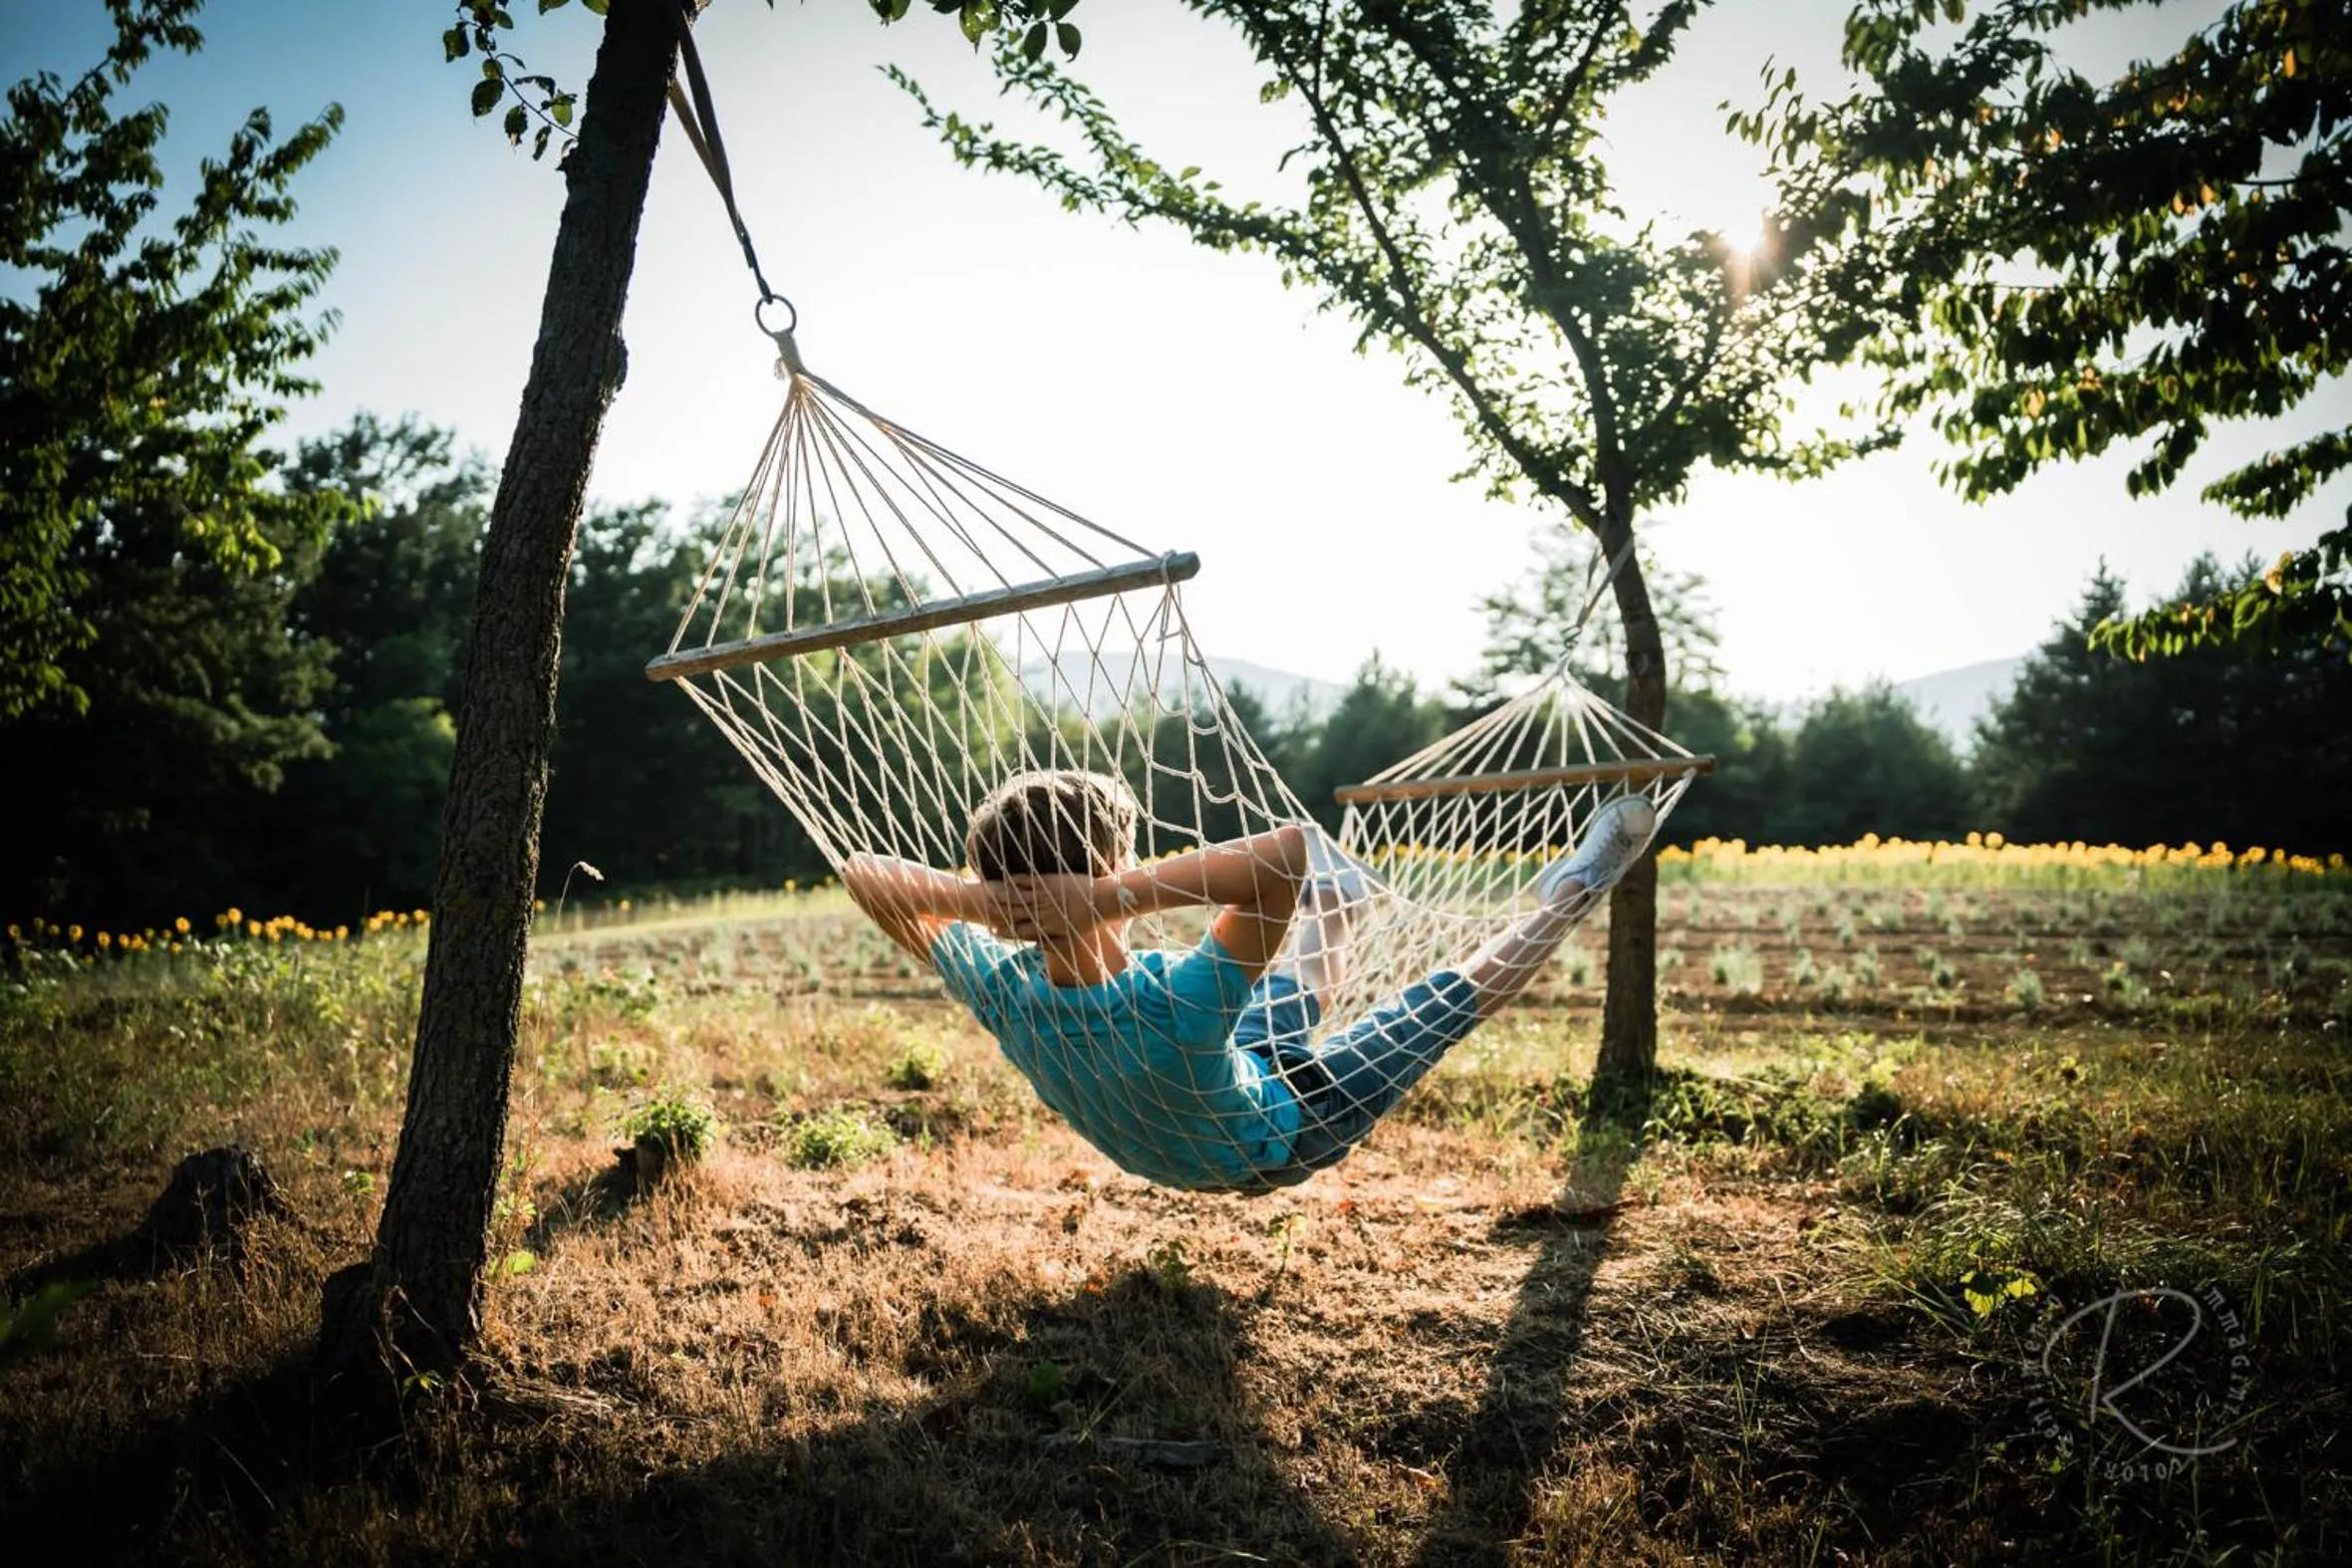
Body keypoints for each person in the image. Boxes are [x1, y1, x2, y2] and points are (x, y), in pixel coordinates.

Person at [840, 770, 1657, 1192]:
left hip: (1203, 1104)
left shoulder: (998, 982)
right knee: (1434, 1005)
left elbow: (862, 872)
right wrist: (1094, 900)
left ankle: (1336, 914)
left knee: (1272, 1009)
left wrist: (993, 907)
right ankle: (1573, 892)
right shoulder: (1179, 1002)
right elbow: (1288, 853)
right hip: (1282, 1138)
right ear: (1114, 868)